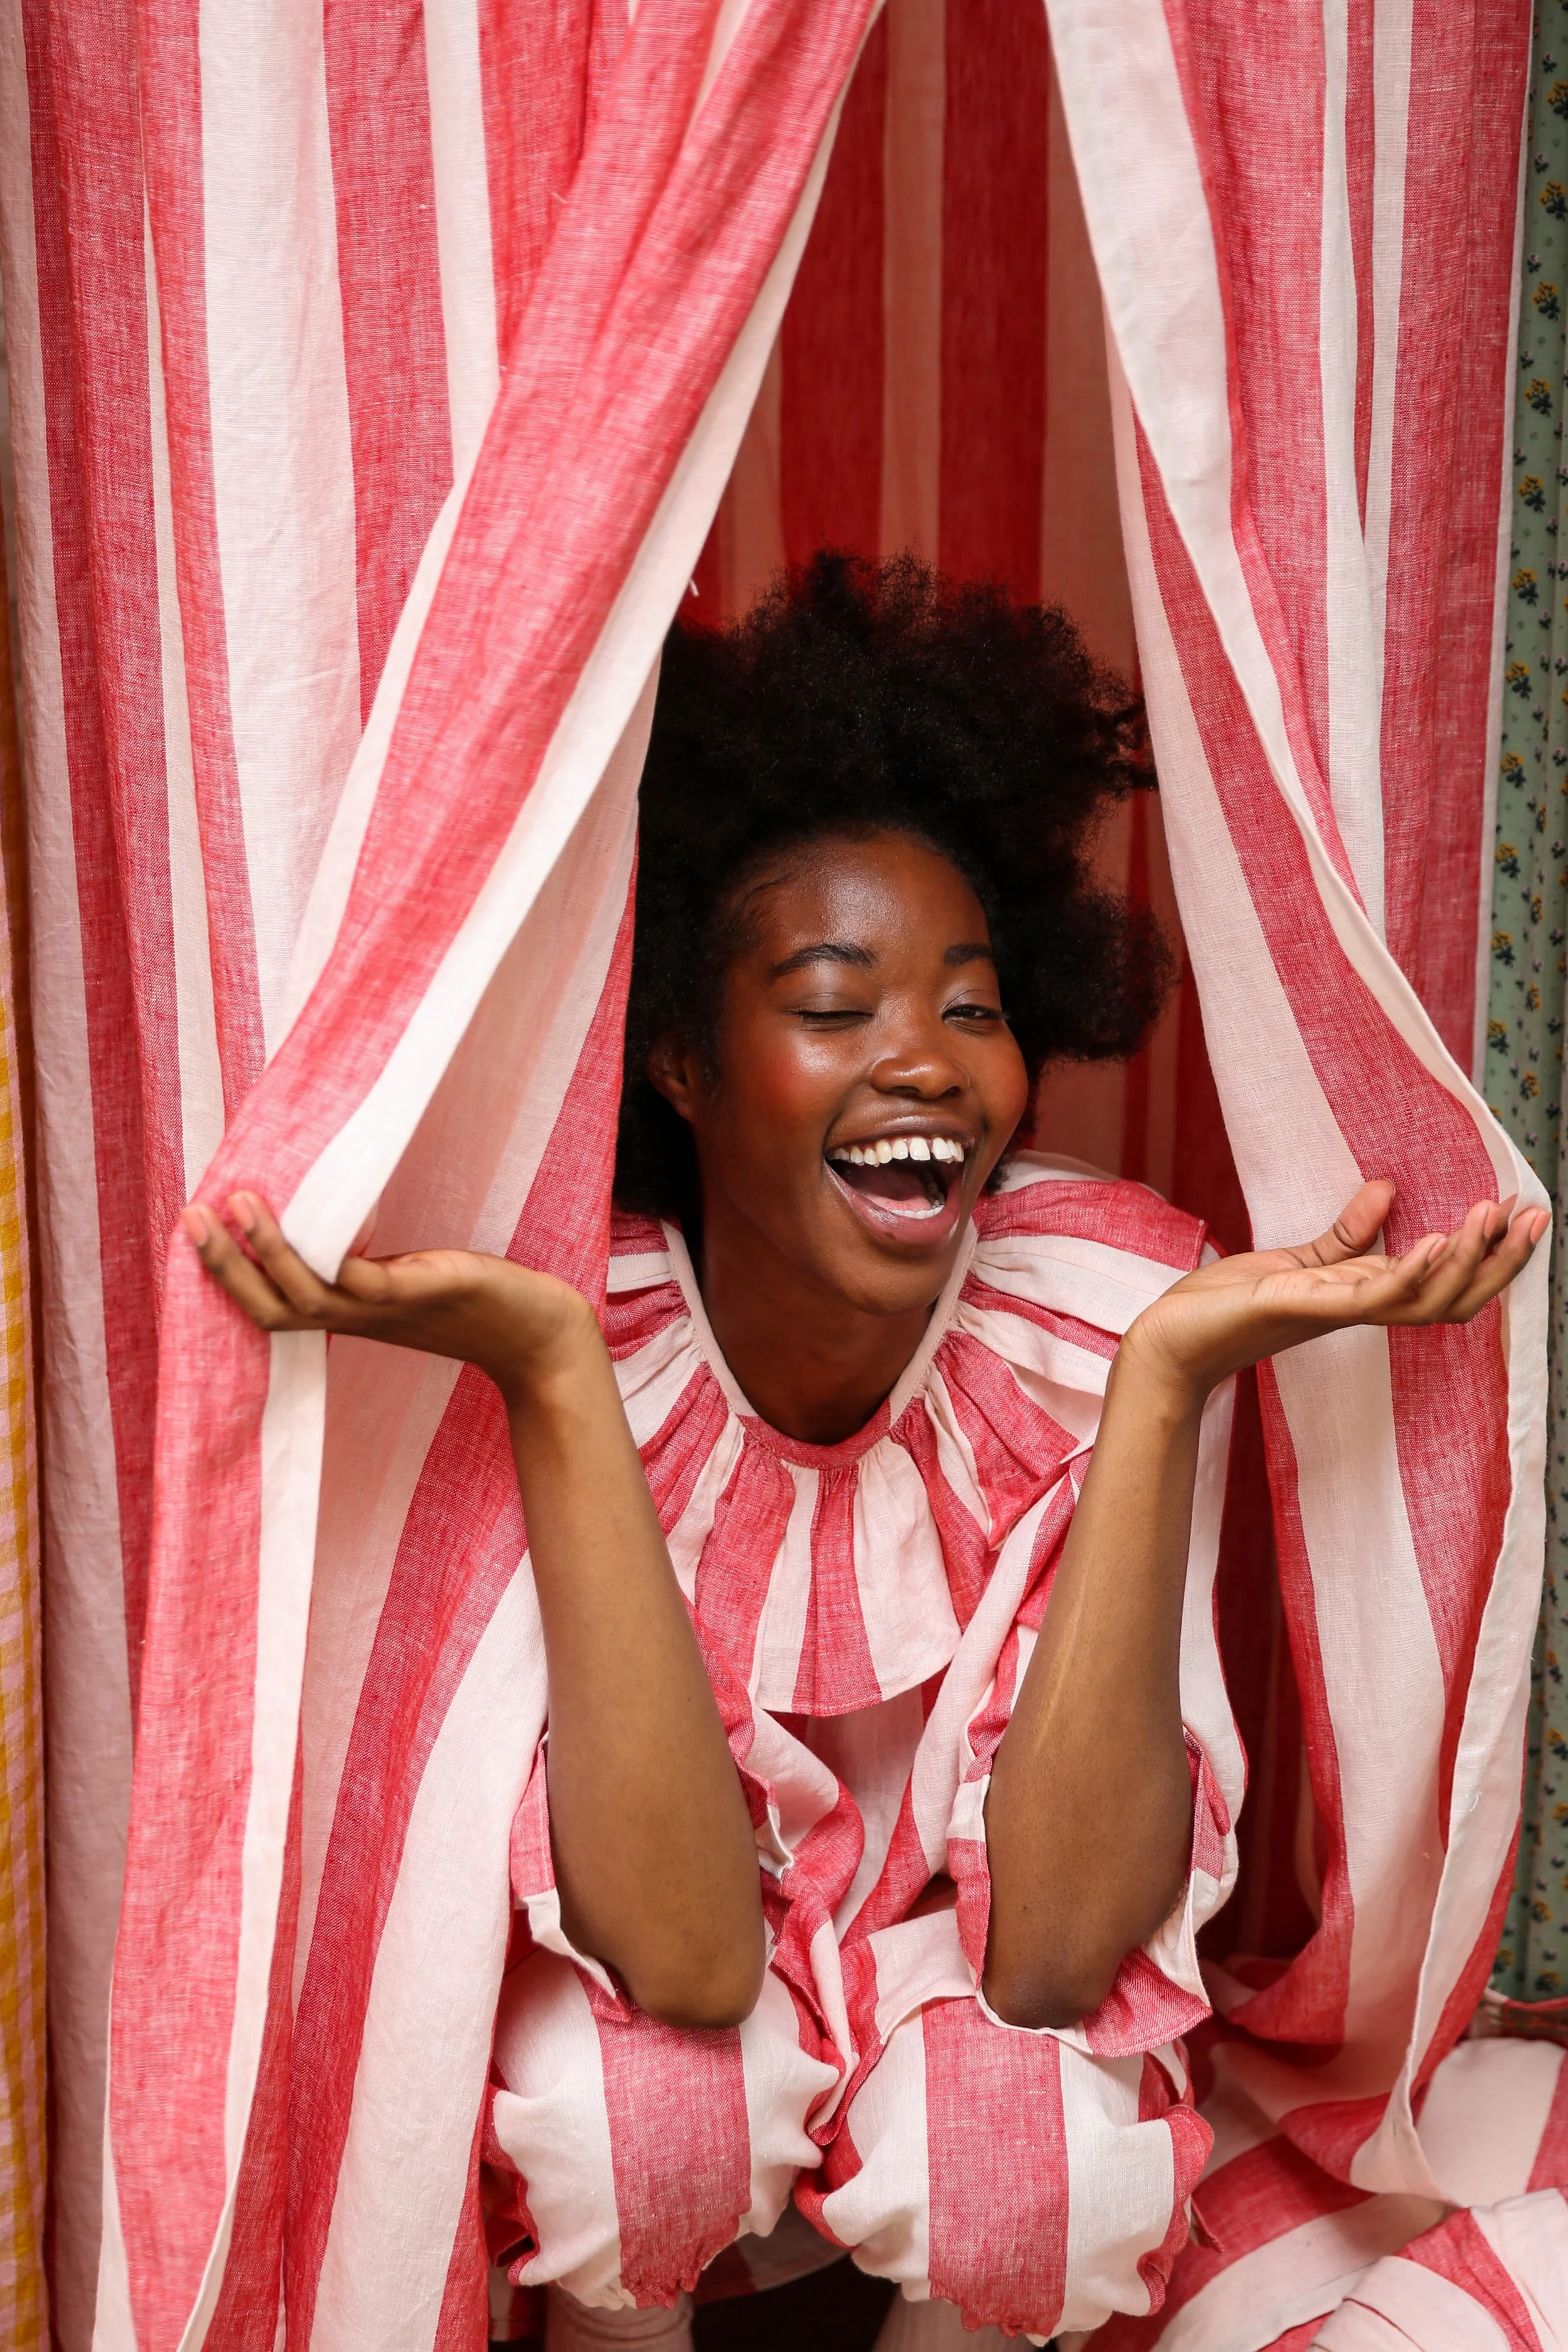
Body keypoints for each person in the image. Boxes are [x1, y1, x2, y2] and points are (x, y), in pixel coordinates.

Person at [183, 555, 1544, 2350]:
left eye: (971, 1008)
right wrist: (552, 1376)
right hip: (681, 1961)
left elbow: (1055, 1960)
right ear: (677, 1051)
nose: (924, 1062)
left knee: (1033, 2153)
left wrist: (1158, 1391)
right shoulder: (567, 1310)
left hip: (974, 1975)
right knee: (632, 2114)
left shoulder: (1110, 1305)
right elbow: (676, 1963)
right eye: (835, 1007)